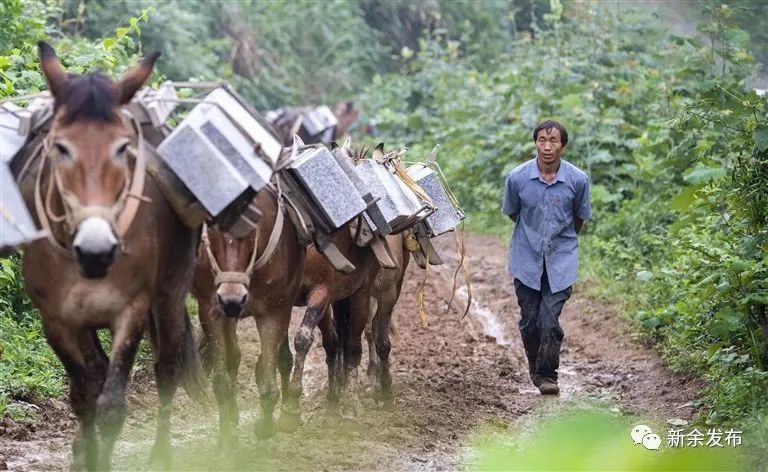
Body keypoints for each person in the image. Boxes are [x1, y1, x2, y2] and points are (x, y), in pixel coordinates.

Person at [501, 120, 591, 395]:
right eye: (542, 140)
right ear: (535, 143)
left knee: (549, 320)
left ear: (563, 145)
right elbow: (513, 213)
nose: (547, 146)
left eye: (553, 141)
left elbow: (578, 219)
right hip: (526, 259)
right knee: (530, 322)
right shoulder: (517, 178)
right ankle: (535, 367)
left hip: (561, 260)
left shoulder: (577, 179)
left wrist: (558, 241)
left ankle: (547, 375)